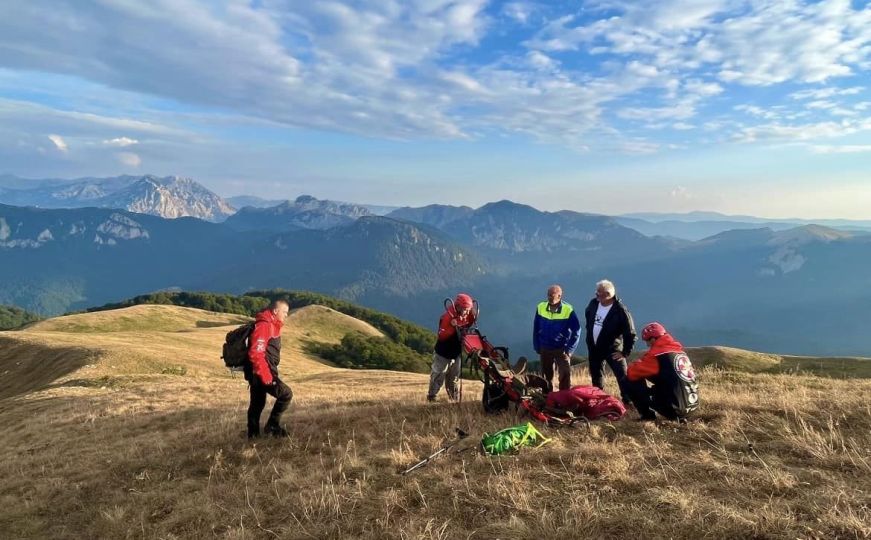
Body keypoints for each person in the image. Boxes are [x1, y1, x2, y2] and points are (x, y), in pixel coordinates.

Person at [626, 322, 699, 422]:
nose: (647, 345)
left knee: (629, 380)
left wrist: (638, 362)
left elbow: (632, 373)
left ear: (653, 339)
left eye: (647, 341)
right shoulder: (680, 353)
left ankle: (647, 416)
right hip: (692, 406)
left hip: (675, 409)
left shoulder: (658, 355)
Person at [245, 299, 293, 438]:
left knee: (257, 404)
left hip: (257, 372)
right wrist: (266, 376)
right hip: (263, 372)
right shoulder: (265, 325)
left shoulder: (271, 324)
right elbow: (256, 353)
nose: (286, 315)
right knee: (285, 394)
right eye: (284, 312)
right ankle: (272, 426)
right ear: (275, 311)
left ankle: (253, 435)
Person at [584, 279, 636, 404]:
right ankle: (598, 399)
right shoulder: (593, 304)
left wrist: (624, 352)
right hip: (595, 348)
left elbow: (630, 333)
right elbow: (588, 318)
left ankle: (628, 401)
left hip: (613, 349)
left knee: (622, 375)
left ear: (607, 294)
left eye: (598, 293)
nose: (596, 296)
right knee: (596, 375)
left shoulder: (620, 310)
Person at [428, 293, 477, 402]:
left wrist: (474, 315)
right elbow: (441, 336)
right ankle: (432, 397)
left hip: (456, 353)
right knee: (438, 375)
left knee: (454, 378)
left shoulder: (466, 315)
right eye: (465, 309)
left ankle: (454, 399)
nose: (466, 312)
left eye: (468, 309)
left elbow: (470, 323)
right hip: (443, 353)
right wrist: (452, 327)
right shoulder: (447, 317)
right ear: (458, 306)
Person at [533, 284, 581, 391]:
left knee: (565, 374)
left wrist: (569, 350)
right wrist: (537, 345)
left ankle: (563, 398)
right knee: (546, 376)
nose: (549, 297)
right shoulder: (540, 307)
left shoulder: (568, 310)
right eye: (548, 295)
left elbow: (577, 330)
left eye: (552, 295)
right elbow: (536, 327)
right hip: (545, 347)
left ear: (559, 296)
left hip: (562, 349)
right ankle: (547, 397)